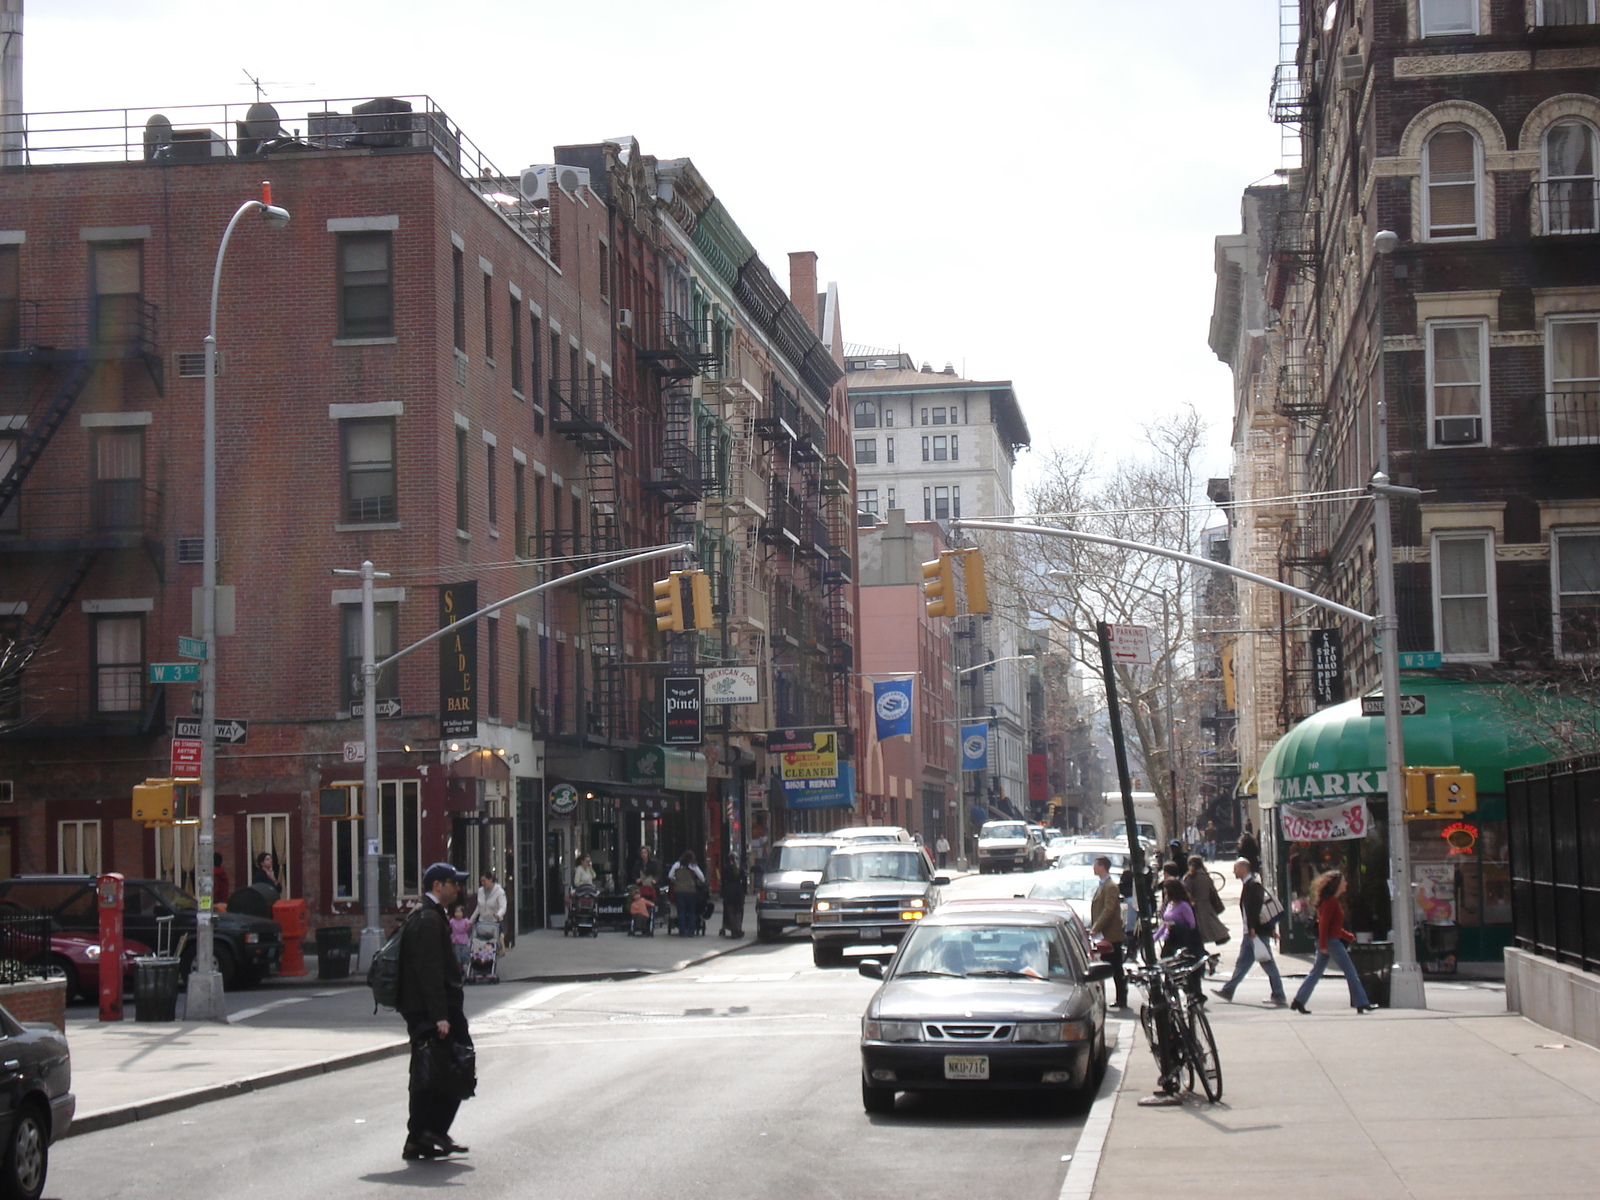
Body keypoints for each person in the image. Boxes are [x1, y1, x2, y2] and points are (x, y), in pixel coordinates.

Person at [397, 862, 473, 1161]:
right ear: (437, 886)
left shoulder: (429, 916)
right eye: (453, 883)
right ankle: (429, 1130)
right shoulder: (428, 919)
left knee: (431, 1071)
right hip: (434, 1009)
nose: (458, 888)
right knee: (453, 1064)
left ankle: (422, 1137)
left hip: (428, 1007)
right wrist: (440, 1015)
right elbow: (429, 971)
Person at [1291, 870, 1376, 1014]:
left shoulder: (1329, 901)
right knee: (1350, 971)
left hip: (1329, 940)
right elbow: (1324, 925)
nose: (1346, 884)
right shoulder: (1331, 902)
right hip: (1331, 943)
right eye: (1343, 881)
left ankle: (1299, 1001)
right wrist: (1324, 945)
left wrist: (1348, 936)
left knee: (1316, 972)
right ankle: (1362, 1002)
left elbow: (1332, 927)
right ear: (1337, 885)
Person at [1214, 858, 1287, 1005]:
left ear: (1243, 869)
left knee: (1268, 964)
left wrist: (1255, 928)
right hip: (1251, 932)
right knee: (1243, 964)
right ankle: (1228, 990)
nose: (1233, 871)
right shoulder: (1249, 885)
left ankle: (1278, 994)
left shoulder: (1253, 886)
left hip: (1256, 933)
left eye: (1236, 868)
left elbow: (1257, 909)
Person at [1088, 855, 1128, 1008]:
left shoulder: (1110, 886)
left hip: (1110, 935)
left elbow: (1108, 909)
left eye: (1095, 865)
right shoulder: (1103, 884)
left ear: (1102, 866)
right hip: (1104, 935)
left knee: (1115, 968)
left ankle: (1121, 997)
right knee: (1108, 967)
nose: (1093, 868)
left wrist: (1096, 928)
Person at [1155, 878, 1204, 1000]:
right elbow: (1165, 923)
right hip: (1170, 940)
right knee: (1167, 968)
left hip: (1182, 941)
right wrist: (1154, 938)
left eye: (1166, 891)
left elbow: (1192, 924)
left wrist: (1175, 925)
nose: (1165, 893)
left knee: (1184, 971)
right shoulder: (1170, 904)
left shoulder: (1184, 905)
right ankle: (1170, 995)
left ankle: (1193, 994)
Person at [1183, 856, 1230, 948]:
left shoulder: (1190, 877)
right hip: (1207, 906)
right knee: (1211, 927)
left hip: (1195, 907)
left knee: (1198, 932)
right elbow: (1212, 891)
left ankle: (1200, 951)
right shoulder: (1206, 876)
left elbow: (1187, 892)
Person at [670, 851, 705, 937]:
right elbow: (702, 878)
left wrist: (676, 881)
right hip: (690, 891)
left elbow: (670, 876)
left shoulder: (677, 865)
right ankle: (691, 931)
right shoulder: (693, 866)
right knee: (691, 911)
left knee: (681, 911)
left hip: (679, 890)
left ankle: (682, 931)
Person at [720, 858, 746, 938]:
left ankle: (733, 930)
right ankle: (738, 929)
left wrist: (723, 891)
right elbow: (744, 879)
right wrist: (743, 891)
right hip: (738, 890)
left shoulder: (726, 869)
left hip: (729, 890)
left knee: (730, 911)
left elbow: (723, 880)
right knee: (738, 911)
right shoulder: (739, 869)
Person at [448, 905, 472, 971]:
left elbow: (468, 929)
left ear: (463, 913)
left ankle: (466, 966)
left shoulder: (465, 920)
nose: (457, 914)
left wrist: (469, 926)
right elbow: (448, 925)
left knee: (465, 953)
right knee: (457, 954)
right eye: (456, 912)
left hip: (463, 940)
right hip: (456, 941)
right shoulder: (452, 921)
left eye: (459, 912)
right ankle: (459, 968)